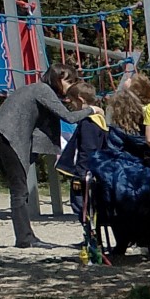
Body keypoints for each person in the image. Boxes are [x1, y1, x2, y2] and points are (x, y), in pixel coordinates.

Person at [0, 67, 90, 246]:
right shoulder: (43, 89)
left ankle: (24, 237)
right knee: (19, 190)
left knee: (18, 188)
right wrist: (92, 110)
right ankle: (25, 238)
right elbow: (69, 117)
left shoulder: (36, 88)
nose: (71, 85)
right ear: (56, 79)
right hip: (8, 136)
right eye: (68, 81)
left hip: (0, 133)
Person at [54, 81, 108, 220]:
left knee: (82, 208)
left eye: (72, 101)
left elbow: (87, 150)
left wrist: (80, 176)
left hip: (85, 174)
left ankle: (90, 232)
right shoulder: (99, 120)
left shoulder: (88, 123)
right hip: (95, 171)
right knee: (89, 208)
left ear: (80, 100)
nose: (71, 106)